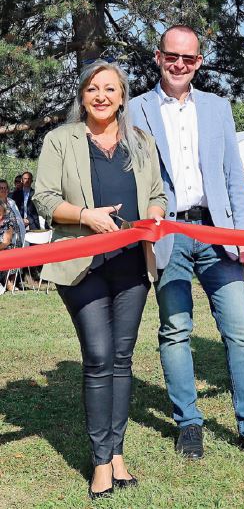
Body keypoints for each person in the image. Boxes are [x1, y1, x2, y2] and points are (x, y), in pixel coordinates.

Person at [130, 25, 244, 461]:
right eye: (172, 56)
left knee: (239, 330)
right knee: (176, 330)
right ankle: (189, 423)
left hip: (218, 234)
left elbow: (232, 176)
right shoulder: (135, 110)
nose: (180, 64)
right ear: (159, 57)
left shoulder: (219, 108)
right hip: (169, 236)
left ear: (199, 62)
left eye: (190, 58)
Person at [33, 61, 167, 499]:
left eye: (110, 88)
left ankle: (118, 455)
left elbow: (157, 195)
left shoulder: (142, 142)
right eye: (93, 88)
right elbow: (44, 197)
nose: (102, 95)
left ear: (123, 96)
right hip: (81, 264)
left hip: (131, 265)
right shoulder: (60, 140)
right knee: (98, 356)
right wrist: (85, 216)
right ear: (83, 95)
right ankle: (100, 462)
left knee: (122, 360)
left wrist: (156, 217)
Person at [0, 179, 25, 248]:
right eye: (1, 188)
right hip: (3, 241)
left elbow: (17, 217)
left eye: (5, 187)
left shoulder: (12, 202)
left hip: (17, 237)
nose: (3, 189)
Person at [0, 202, 16, 291]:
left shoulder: (8, 222)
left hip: (5, 249)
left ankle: (7, 282)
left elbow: (6, 242)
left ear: (4, 212)